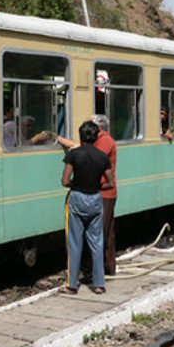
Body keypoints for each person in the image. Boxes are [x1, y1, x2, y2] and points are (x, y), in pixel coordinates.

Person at [56, 114, 117, 276]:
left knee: (98, 234)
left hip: (102, 192)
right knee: (105, 232)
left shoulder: (105, 141)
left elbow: (91, 156)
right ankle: (106, 269)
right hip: (101, 191)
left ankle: (93, 271)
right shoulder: (102, 140)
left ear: (99, 127)